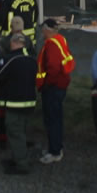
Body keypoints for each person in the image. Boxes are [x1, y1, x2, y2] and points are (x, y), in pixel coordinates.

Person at [0, 32, 37, 174]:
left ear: (13, 43)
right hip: (29, 101)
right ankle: (17, 158)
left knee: (15, 132)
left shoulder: (10, 59)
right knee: (21, 132)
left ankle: (21, 164)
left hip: (15, 102)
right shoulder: (31, 59)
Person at [37, 18, 75, 164]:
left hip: (53, 88)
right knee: (56, 118)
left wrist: (46, 84)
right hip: (60, 85)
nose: (42, 32)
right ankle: (56, 147)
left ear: (47, 30)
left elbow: (52, 68)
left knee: (52, 120)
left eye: (43, 29)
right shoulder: (60, 40)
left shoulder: (51, 45)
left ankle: (54, 151)